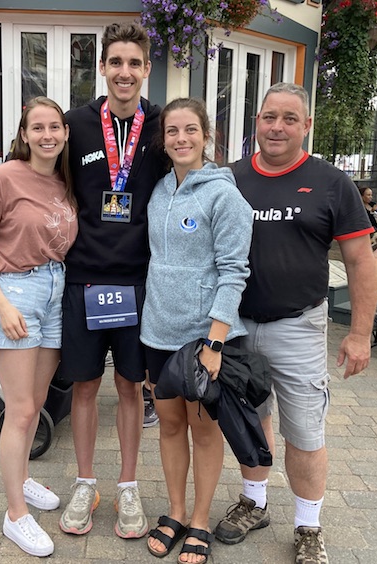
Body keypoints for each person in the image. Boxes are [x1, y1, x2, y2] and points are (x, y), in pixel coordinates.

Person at [214, 83, 377, 564]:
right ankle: (254, 503)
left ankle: (308, 526)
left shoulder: (331, 183)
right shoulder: (231, 178)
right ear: (257, 122)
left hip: (299, 325)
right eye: (269, 116)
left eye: (290, 118)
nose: (277, 126)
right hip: (238, 324)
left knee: (304, 432)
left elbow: (360, 263)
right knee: (251, 420)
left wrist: (360, 332)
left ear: (306, 125)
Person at [58, 21, 167, 540]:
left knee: (129, 386)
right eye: (116, 62)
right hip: (82, 280)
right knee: (83, 387)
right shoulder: (75, 124)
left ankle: (127, 485)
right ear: (102, 67)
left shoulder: (165, 126)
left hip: (139, 282)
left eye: (135, 64)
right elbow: (36, 180)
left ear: (147, 70)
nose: (125, 73)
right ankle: (85, 482)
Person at [141, 97, 253, 564]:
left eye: (191, 130)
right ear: (163, 140)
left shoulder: (224, 195)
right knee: (169, 427)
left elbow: (234, 272)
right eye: (172, 131)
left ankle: (201, 521)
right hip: (157, 334)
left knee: (204, 432)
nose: (181, 138)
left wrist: (215, 340)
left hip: (202, 339)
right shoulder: (160, 190)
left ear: (207, 136)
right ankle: (176, 512)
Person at [0, 96, 78, 557]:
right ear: (24, 135)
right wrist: (2, 305)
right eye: (38, 128)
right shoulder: (4, 177)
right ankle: (16, 515)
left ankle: (25, 479)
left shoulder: (66, 183)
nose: (47, 135)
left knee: (35, 403)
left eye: (55, 127)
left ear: (65, 134)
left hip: (57, 291)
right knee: (18, 409)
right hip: (16, 291)